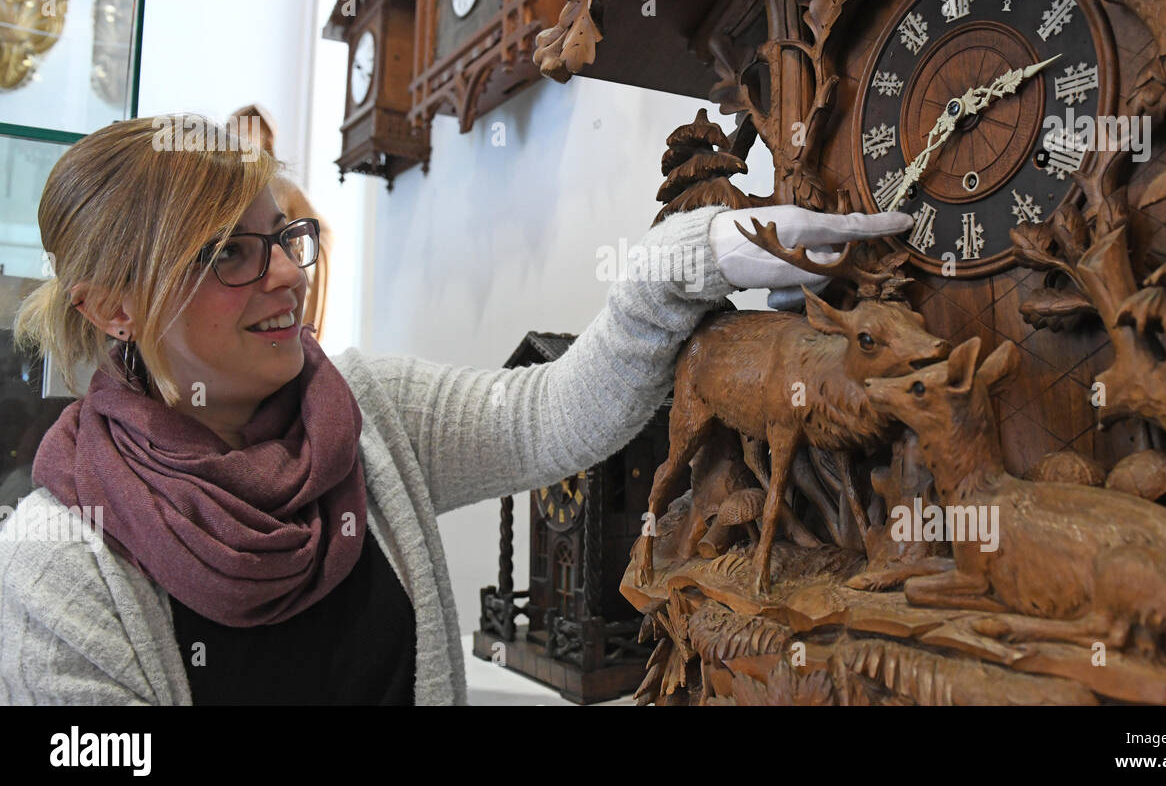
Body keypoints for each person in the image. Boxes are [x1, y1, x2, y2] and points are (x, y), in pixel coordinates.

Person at [0, 113, 910, 705]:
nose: (283, 275)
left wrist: (692, 256)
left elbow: (548, 417)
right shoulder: (59, 567)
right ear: (112, 306)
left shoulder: (363, 413)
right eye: (225, 255)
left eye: (284, 237)